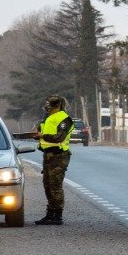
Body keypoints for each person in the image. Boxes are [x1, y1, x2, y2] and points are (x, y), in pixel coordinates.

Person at [33, 95, 74, 226]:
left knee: (56, 185)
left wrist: (42, 136)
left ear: (57, 106)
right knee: (47, 185)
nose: (47, 108)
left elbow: (59, 137)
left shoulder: (65, 119)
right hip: (47, 155)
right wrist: (36, 134)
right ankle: (50, 213)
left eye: (50, 106)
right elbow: (41, 132)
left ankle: (58, 215)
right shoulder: (48, 118)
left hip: (59, 156)